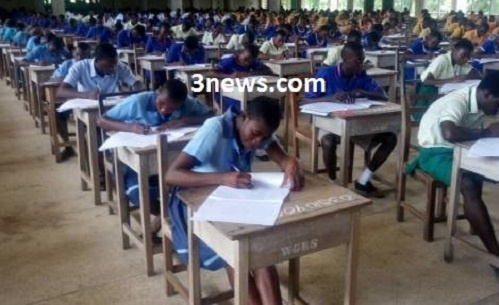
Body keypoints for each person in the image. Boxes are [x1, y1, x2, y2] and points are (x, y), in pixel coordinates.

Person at [406, 70, 499, 286]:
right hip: (436, 151)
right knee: (468, 183)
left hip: (471, 148)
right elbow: (449, 134)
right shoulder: (457, 101)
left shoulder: (491, 101)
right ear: (487, 94)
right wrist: (486, 132)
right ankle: (496, 256)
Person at [165, 96, 303, 305]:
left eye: (264, 137)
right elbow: (172, 175)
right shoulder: (216, 128)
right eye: (255, 134)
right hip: (193, 202)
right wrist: (222, 177)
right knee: (236, 250)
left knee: (259, 249)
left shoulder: (260, 131)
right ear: (244, 116)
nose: (257, 142)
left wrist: (290, 162)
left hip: (232, 201)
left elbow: (282, 158)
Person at [97, 79, 213, 234]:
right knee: (137, 191)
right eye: (161, 104)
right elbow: (101, 120)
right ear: (157, 92)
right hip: (138, 158)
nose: (165, 110)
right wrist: (130, 127)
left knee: (188, 187)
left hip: (171, 160)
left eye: (172, 109)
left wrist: (183, 120)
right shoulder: (138, 102)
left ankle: (166, 219)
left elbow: (211, 116)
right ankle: (165, 216)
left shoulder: (188, 103)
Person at [304, 41, 396, 197]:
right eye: (357, 61)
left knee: (390, 138)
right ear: (345, 59)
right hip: (330, 122)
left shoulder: (360, 75)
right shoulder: (325, 74)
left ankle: (364, 180)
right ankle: (333, 182)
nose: (361, 65)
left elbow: (383, 95)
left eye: (362, 60)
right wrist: (330, 98)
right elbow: (306, 100)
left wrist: (362, 92)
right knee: (328, 142)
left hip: (355, 122)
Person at [57, 42, 143, 100]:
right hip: (89, 106)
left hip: (112, 105)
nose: (112, 69)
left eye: (114, 65)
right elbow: (61, 92)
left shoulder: (119, 66)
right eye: (107, 66)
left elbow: (137, 84)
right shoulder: (80, 67)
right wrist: (86, 95)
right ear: (97, 60)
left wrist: (134, 94)